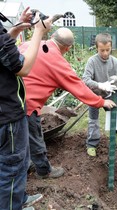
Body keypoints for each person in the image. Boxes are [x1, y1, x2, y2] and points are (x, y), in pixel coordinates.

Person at [19, 28, 116, 178]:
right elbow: (79, 88)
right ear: (68, 48)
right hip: (27, 105)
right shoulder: (58, 63)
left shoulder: (29, 44)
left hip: (11, 98)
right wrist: (100, 101)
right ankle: (44, 171)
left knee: (19, 137)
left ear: (52, 37)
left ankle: (26, 163)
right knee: (35, 137)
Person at [0, 7, 52, 210]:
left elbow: (2, 49)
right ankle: (12, 206)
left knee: (13, 164)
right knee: (12, 166)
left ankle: (18, 199)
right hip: (7, 115)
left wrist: (17, 28)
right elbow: (24, 68)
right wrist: (38, 32)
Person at [82, 33, 117, 157]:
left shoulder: (114, 61)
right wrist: (100, 85)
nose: (105, 53)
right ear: (97, 48)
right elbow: (85, 80)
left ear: (111, 47)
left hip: (109, 95)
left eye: (107, 50)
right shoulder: (92, 61)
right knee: (93, 120)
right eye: (102, 50)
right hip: (94, 96)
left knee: (113, 113)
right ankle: (92, 144)